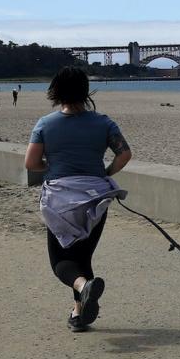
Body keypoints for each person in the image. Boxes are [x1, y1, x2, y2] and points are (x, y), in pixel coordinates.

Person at [24, 66, 132, 331]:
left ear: (55, 92)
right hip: (96, 198)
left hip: (60, 201)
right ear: (86, 92)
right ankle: (78, 314)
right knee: (83, 258)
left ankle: (83, 289)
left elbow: (31, 162)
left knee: (60, 262)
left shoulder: (45, 124)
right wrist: (104, 173)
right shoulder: (104, 122)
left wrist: (54, 165)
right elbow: (125, 154)